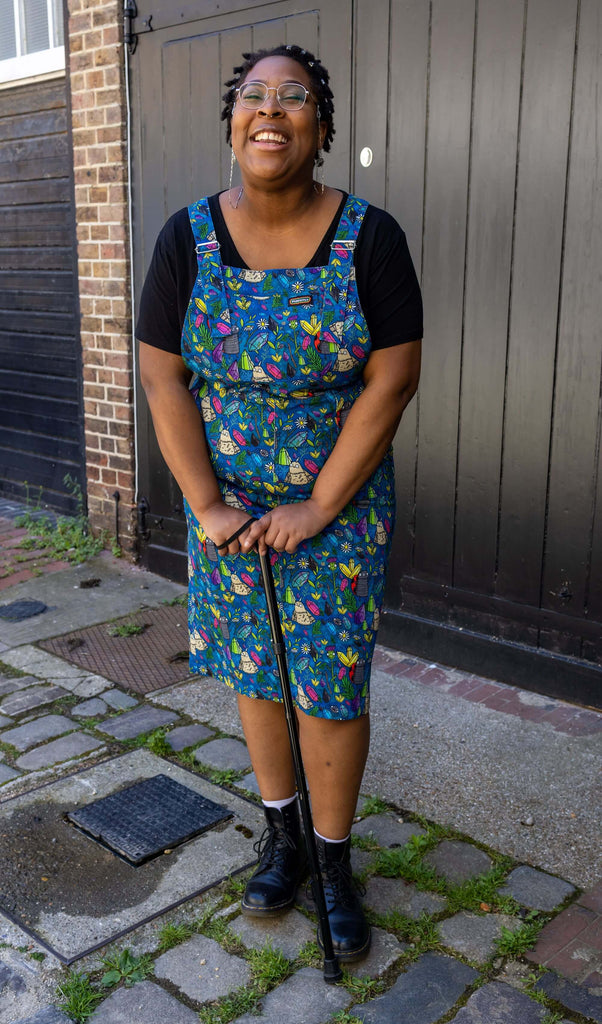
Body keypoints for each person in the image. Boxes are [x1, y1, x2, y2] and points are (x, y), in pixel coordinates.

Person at [137, 43, 422, 961]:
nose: (271, 110)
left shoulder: (370, 238)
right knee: (259, 676)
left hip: (335, 518)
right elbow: (161, 374)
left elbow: (393, 379)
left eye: (293, 97)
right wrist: (208, 504)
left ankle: (335, 863)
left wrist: (317, 507)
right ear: (232, 126)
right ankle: (283, 839)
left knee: (328, 689)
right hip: (228, 514)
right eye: (253, 96)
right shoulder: (185, 237)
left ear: (322, 129)